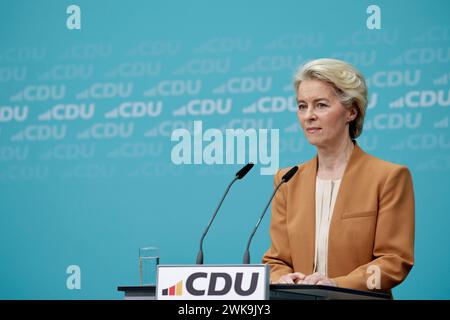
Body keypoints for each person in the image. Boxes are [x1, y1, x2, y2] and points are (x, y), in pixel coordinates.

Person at [262, 58, 415, 295]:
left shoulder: (388, 177)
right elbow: (275, 262)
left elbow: (394, 262)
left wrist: (337, 285)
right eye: (302, 106)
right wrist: (283, 279)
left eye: (321, 105)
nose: (308, 115)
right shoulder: (287, 179)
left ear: (351, 111)